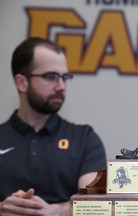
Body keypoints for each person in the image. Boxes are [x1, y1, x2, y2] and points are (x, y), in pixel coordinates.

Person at [0, 37, 107, 215]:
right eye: (51, 77)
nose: (61, 86)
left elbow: (94, 205)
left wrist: (55, 211)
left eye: (65, 77)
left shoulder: (85, 139)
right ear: (21, 82)